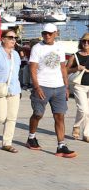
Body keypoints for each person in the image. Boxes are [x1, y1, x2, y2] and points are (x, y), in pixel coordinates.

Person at [26, 24, 77, 157]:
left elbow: (63, 68)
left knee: (60, 116)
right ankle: (31, 137)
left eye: (49, 33)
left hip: (59, 87)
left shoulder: (59, 47)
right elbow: (32, 69)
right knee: (38, 114)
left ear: (56, 33)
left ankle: (61, 146)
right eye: (44, 33)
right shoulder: (37, 48)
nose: (47, 36)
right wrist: (36, 87)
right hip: (42, 86)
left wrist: (66, 86)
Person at [66, 33, 89, 142]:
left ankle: (86, 134)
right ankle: (76, 125)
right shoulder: (75, 56)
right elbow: (65, 70)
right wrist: (76, 68)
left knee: (88, 112)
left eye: (88, 41)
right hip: (79, 85)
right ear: (81, 42)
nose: (86, 43)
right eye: (84, 41)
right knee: (83, 109)